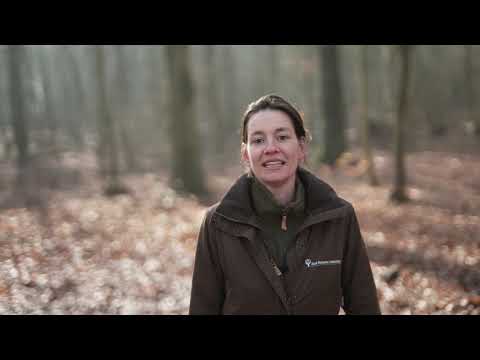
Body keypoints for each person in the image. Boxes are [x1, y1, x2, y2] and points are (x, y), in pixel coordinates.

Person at [189, 94, 381, 315]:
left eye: (282, 137)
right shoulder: (218, 223)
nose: (271, 148)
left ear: (301, 147)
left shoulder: (339, 217)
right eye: (258, 140)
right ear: (245, 153)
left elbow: (364, 306)